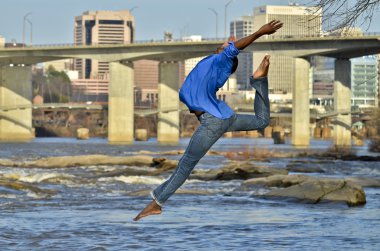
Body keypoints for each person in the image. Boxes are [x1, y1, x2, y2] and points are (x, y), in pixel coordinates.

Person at [134, 20, 283, 221]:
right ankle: (259, 80)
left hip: (213, 121)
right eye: (226, 45)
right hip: (225, 117)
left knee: (185, 165)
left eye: (228, 47)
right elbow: (231, 52)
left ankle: (156, 203)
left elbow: (233, 51)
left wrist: (259, 32)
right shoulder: (213, 68)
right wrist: (232, 50)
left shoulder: (218, 61)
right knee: (261, 121)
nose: (229, 45)